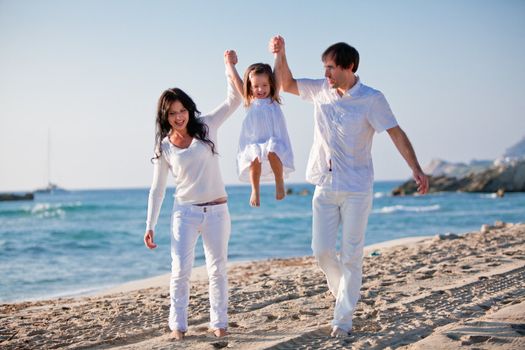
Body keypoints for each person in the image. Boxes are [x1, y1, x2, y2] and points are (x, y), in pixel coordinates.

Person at [269, 35, 429, 337]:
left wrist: (415, 168)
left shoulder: (372, 98)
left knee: (352, 254)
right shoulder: (320, 90)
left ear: (349, 67)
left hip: (357, 187)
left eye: (331, 68)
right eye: (324, 68)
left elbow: (395, 132)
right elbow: (285, 84)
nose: (326, 74)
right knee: (322, 251)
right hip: (325, 184)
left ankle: (342, 319)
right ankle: (346, 292)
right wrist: (281, 54)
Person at [143, 50, 242, 340]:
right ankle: (178, 327)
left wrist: (228, 67)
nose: (178, 117)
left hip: (217, 212)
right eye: (172, 113)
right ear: (165, 116)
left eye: (182, 110)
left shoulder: (207, 127)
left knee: (217, 270)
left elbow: (234, 100)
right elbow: (157, 189)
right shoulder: (164, 147)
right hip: (184, 213)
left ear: (189, 109)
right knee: (179, 272)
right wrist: (149, 225)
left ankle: (219, 323)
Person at [231, 61, 294, 207]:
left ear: (271, 84)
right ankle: (255, 190)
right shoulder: (250, 101)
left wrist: (278, 53)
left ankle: (279, 182)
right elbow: (236, 79)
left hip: (273, 138)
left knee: (272, 152)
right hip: (255, 140)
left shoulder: (273, 99)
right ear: (250, 87)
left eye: (265, 85)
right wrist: (230, 64)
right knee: (254, 159)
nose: (261, 89)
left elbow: (278, 70)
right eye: (256, 86)